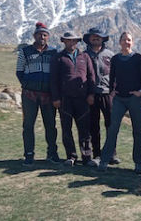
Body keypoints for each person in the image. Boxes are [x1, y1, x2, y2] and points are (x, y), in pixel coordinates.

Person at [98, 32, 141, 173]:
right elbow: (112, 76)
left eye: (129, 40)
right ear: (120, 42)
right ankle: (105, 160)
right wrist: (112, 91)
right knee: (113, 129)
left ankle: (138, 163)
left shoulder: (138, 58)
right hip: (119, 99)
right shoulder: (116, 59)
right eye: (124, 40)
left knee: (138, 130)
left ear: (132, 42)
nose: (127, 42)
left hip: (134, 99)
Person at [50, 32, 97, 167]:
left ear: (77, 42)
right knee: (66, 129)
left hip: (83, 99)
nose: (71, 43)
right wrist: (56, 98)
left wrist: (91, 94)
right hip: (65, 100)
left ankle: (87, 157)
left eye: (74, 41)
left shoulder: (85, 56)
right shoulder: (58, 58)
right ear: (64, 41)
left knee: (84, 129)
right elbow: (53, 80)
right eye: (68, 40)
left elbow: (91, 76)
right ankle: (71, 156)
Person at [15, 22, 59, 166]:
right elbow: (19, 71)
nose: (42, 37)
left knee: (50, 125)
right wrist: (27, 85)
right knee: (28, 125)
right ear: (34, 36)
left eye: (45, 35)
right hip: (30, 95)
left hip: (48, 94)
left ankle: (52, 153)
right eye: (39, 34)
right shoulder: (25, 51)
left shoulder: (53, 52)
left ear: (48, 37)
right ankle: (29, 154)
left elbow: (57, 73)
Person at [83, 28, 120, 165]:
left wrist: (115, 91)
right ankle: (97, 154)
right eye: (93, 37)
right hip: (91, 95)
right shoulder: (84, 55)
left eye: (98, 37)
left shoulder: (110, 55)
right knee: (94, 126)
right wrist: (88, 93)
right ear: (89, 39)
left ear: (103, 39)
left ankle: (111, 153)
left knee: (111, 124)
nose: (96, 39)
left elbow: (116, 75)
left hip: (108, 94)